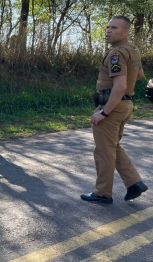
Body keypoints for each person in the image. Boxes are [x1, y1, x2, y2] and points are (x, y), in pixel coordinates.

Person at [81, 16, 148, 204]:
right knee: (113, 147)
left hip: (112, 105)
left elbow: (119, 86)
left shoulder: (116, 54)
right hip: (126, 105)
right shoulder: (133, 50)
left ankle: (102, 193)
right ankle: (134, 183)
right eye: (108, 27)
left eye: (114, 28)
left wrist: (104, 112)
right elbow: (140, 74)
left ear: (125, 32)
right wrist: (126, 92)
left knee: (103, 151)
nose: (108, 30)